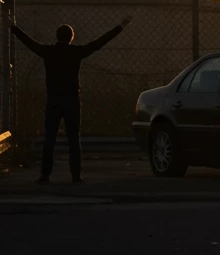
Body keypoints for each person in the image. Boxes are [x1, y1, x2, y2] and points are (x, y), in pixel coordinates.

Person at [11, 15, 132, 182]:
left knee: (50, 138)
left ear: (57, 36)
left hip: (53, 98)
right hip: (72, 99)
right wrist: (120, 26)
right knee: (74, 139)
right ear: (71, 38)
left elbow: (29, 43)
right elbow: (99, 43)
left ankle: (45, 175)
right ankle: (76, 175)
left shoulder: (48, 52)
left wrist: (14, 27)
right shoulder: (77, 52)